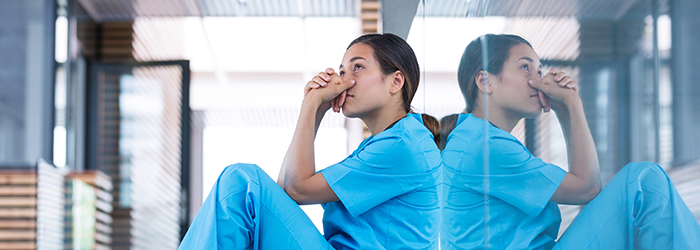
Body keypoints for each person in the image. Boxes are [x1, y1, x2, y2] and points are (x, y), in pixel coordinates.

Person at [178, 33, 442, 250]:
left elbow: (296, 189)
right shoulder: (386, 142)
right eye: (341, 70)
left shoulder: (404, 145)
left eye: (358, 67)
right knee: (244, 194)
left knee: (240, 182)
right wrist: (315, 113)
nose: (343, 80)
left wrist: (311, 103)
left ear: (396, 81)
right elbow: (285, 188)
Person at [441, 34, 700, 249]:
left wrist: (564, 110)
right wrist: (572, 103)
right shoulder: (486, 146)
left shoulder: (472, 138)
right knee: (645, 181)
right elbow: (587, 188)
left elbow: (586, 186)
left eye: (539, 70)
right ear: (485, 81)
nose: (538, 80)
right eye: (525, 67)